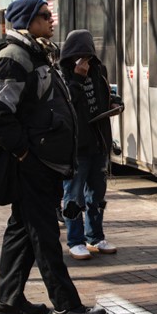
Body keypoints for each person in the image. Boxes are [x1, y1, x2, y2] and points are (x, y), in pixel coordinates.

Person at [0, 0, 107, 314]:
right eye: (45, 16)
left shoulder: (38, 54)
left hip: (42, 163)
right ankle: (66, 307)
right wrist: (25, 153)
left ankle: (8, 300)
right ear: (26, 21)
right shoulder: (13, 57)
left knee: (22, 231)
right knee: (44, 235)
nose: (52, 20)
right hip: (31, 165)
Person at [60, 29, 119, 260]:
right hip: (76, 146)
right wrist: (77, 79)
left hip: (98, 141)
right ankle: (75, 240)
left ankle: (96, 236)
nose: (86, 60)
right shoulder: (63, 74)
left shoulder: (99, 70)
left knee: (97, 194)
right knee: (73, 195)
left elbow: (102, 98)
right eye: (81, 55)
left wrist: (113, 102)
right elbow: (66, 108)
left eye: (89, 55)